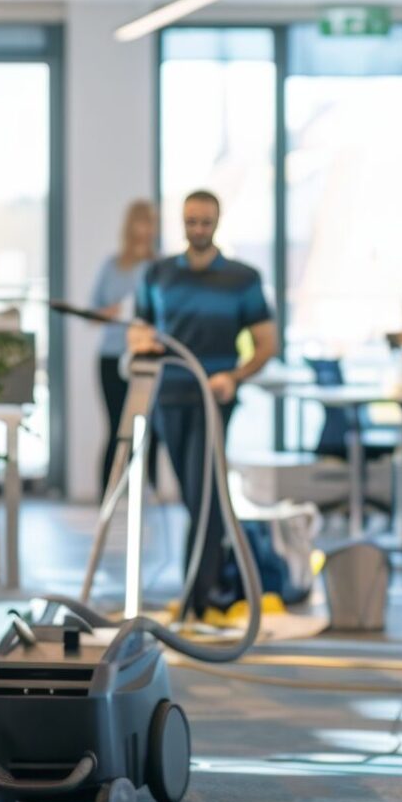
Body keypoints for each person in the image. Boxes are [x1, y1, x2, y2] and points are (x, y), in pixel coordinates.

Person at [130, 190, 278, 619]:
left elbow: (267, 344)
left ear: (217, 222)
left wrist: (234, 376)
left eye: (205, 222)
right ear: (182, 221)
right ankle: (203, 591)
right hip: (168, 396)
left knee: (205, 493)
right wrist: (142, 343)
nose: (198, 229)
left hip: (213, 398)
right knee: (194, 497)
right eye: (191, 222)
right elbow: (138, 331)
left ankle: (201, 595)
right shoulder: (156, 275)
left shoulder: (242, 279)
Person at [91, 199, 158, 490]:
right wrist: (114, 311)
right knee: (118, 429)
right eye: (139, 221)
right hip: (111, 356)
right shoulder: (113, 266)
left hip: (146, 357)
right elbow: (93, 311)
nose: (144, 228)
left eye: (149, 222)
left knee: (147, 430)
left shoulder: (159, 267)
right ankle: (108, 495)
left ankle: (144, 490)